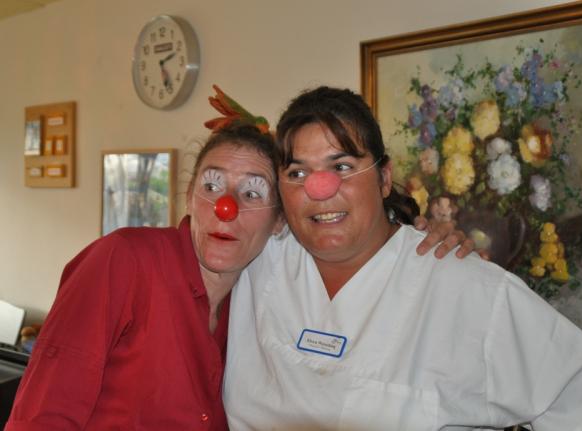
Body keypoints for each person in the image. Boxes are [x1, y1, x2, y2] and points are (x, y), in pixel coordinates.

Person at [5, 90, 471, 430]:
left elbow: (343, 232)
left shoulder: (261, 293)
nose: (225, 207)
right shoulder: (123, 260)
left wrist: (413, 238)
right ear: (189, 196)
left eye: (251, 193)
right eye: (211, 186)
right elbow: (40, 417)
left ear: (278, 222)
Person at [222, 86, 582, 430]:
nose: (320, 188)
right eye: (297, 173)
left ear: (384, 178)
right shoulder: (258, 258)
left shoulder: (465, 287)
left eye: (343, 166)